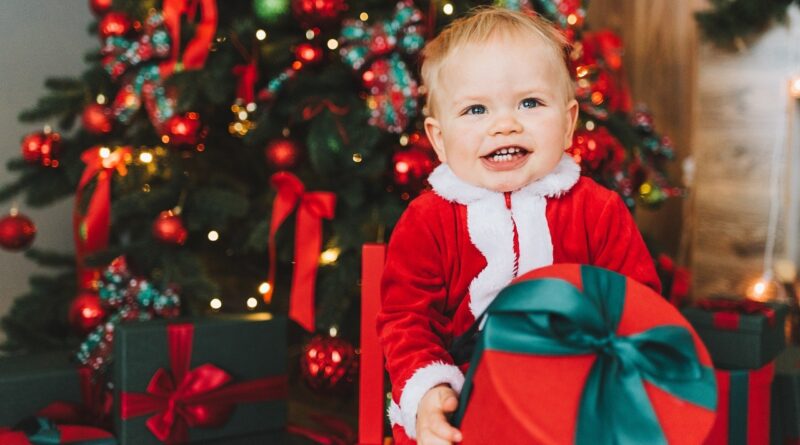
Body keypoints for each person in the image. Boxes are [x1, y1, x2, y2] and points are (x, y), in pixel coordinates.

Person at [376, 6, 661, 445]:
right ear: (438, 139)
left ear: (567, 125)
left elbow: (638, 310)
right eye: (475, 109)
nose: (505, 124)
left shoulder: (597, 210)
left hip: (575, 399)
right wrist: (430, 390)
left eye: (530, 103)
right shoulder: (427, 220)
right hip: (466, 405)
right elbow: (408, 322)